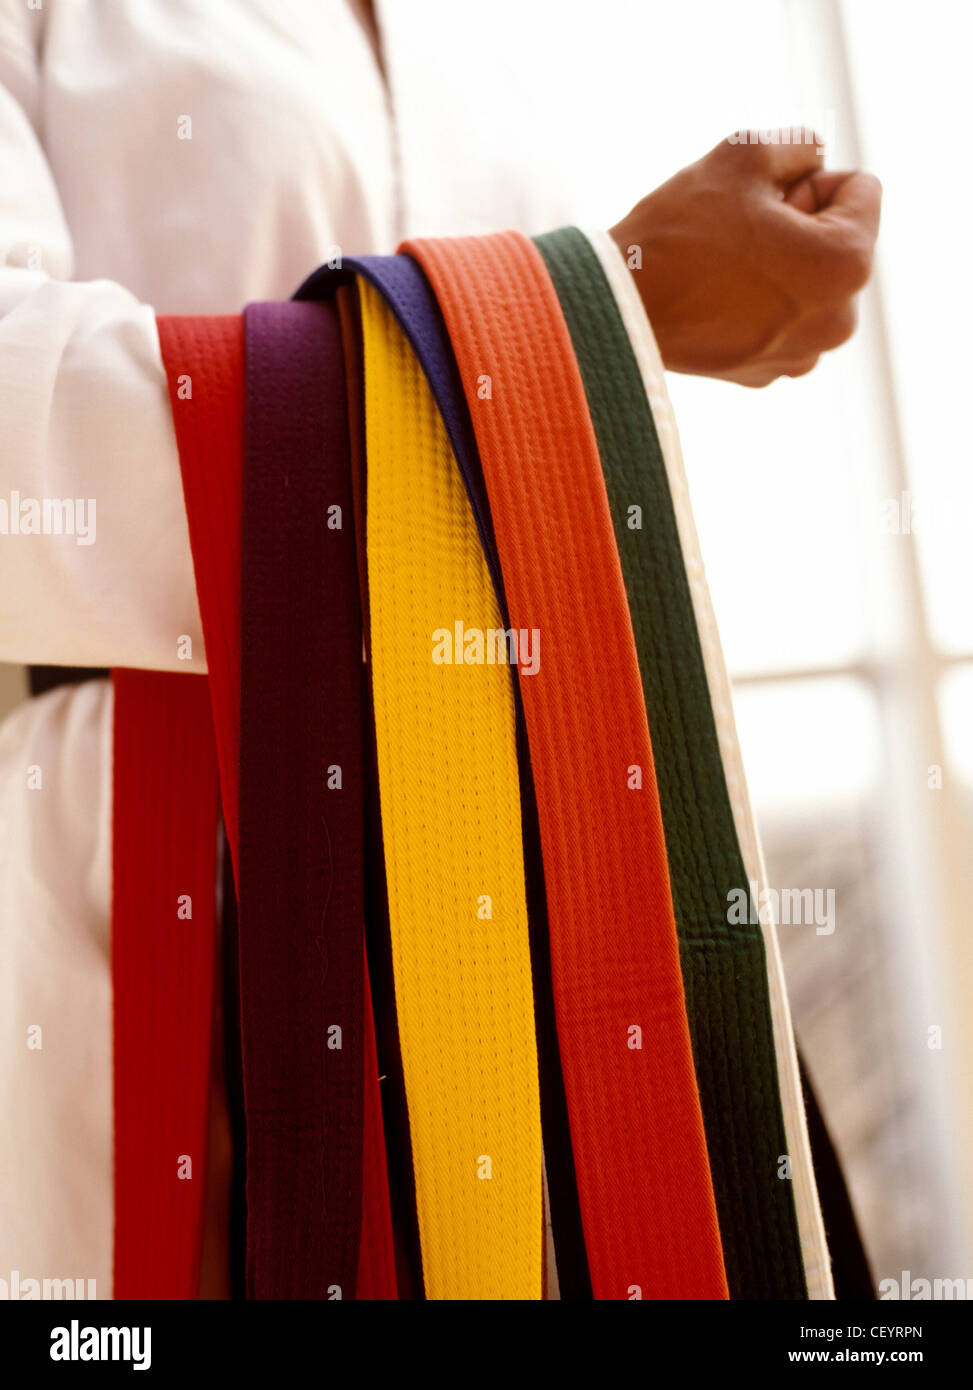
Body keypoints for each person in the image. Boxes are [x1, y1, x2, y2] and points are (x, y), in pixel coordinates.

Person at [0, 0, 880, 1298]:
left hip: (550, 828)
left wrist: (620, 309)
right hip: (186, 843)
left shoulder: (472, 39)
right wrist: (614, 295)